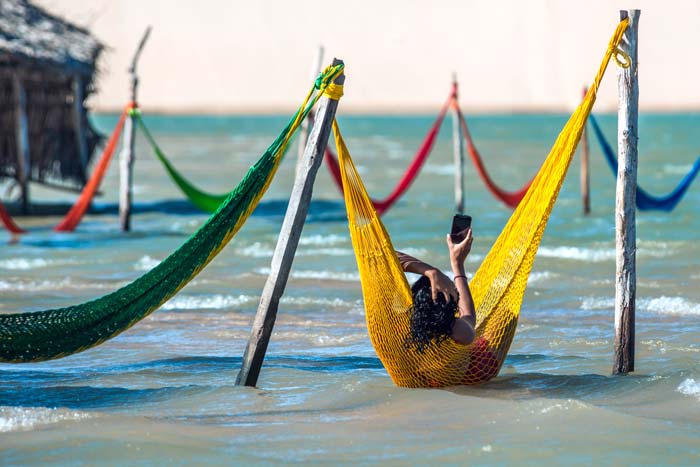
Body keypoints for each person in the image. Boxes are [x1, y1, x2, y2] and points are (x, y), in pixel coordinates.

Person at [396, 227, 476, 353]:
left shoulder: (400, 326)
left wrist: (430, 272)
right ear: (450, 302)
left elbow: (382, 255)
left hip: (409, 371)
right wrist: (457, 264)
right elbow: (469, 317)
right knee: (483, 346)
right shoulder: (457, 331)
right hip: (450, 372)